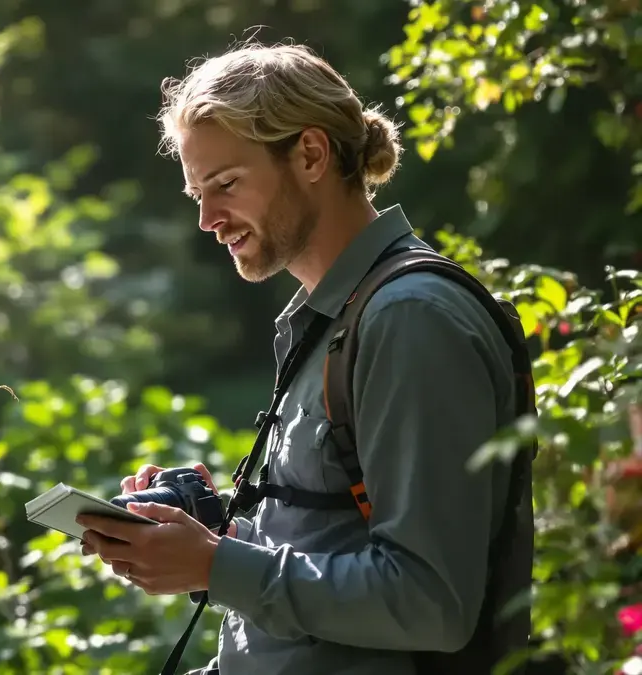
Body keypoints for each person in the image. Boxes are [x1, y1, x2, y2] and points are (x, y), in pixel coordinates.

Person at [77, 39, 533, 674]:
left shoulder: (410, 320)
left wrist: (216, 564)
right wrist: (212, 541)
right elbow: (328, 561)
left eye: (226, 184)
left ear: (311, 154)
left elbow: (430, 601)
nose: (208, 218)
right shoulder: (332, 318)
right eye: (196, 194)